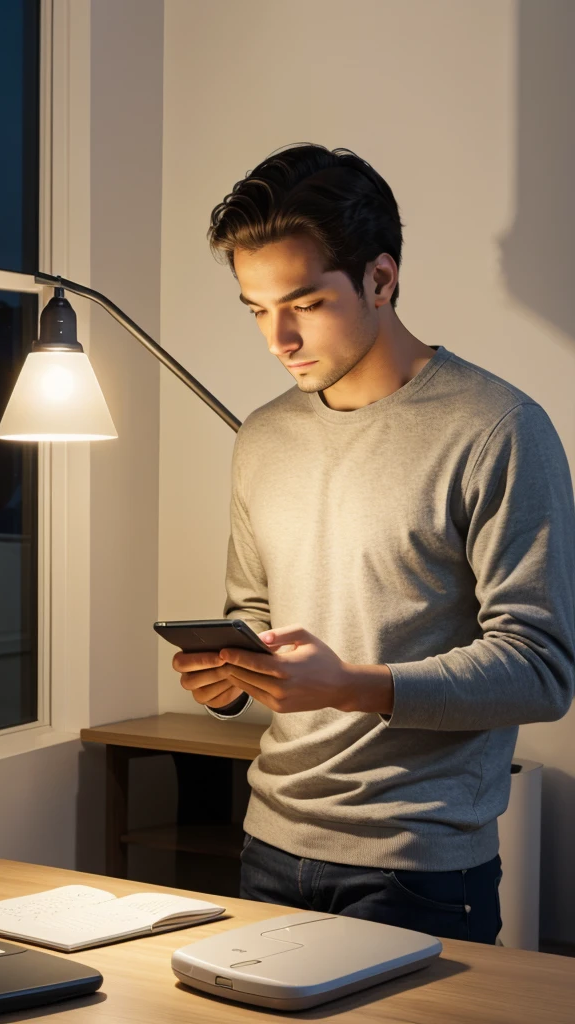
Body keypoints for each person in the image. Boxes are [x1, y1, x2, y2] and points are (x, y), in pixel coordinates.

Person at [170, 143, 575, 944]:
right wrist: (231, 673)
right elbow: (251, 605)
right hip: (269, 841)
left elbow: (541, 668)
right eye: (255, 308)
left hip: (418, 868)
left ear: (381, 280)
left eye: (305, 303)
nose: (277, 337)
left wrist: (351, 684)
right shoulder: (264, 435)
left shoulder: (498, 429)